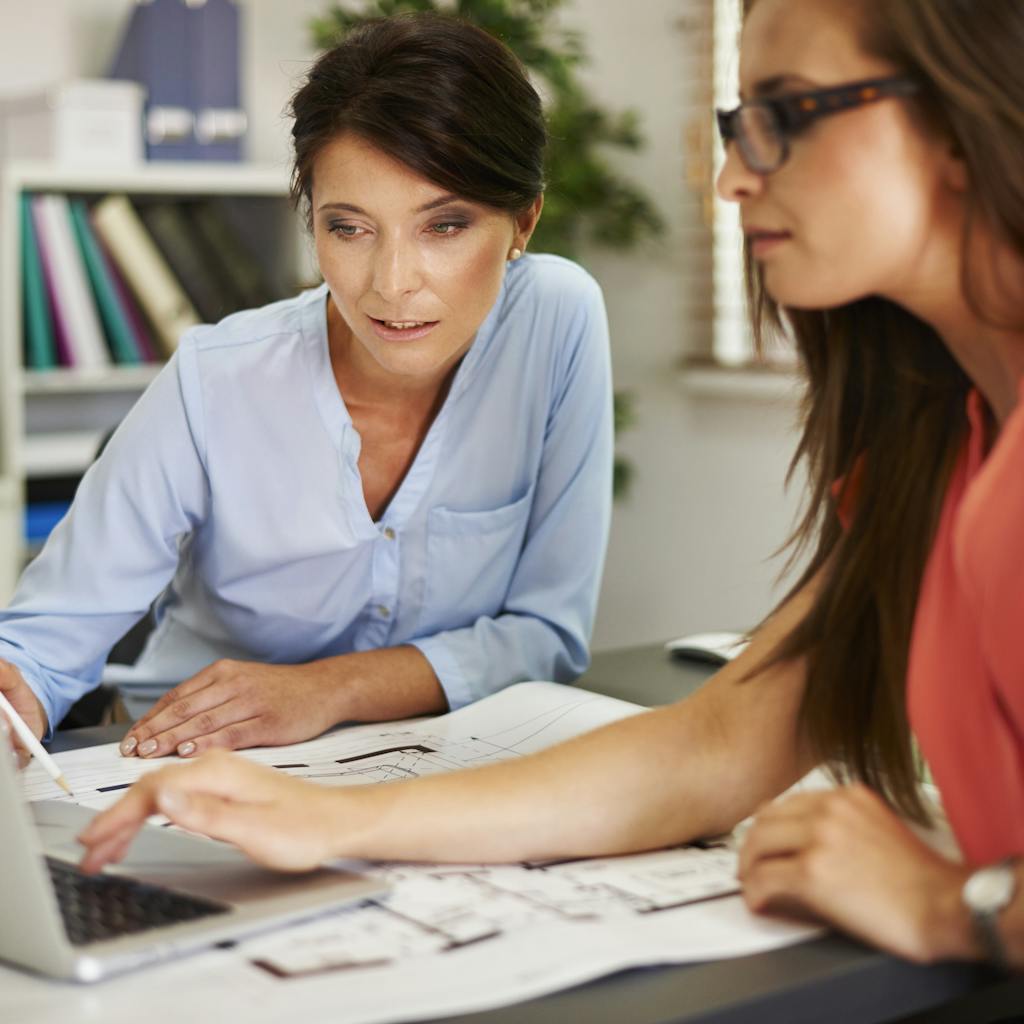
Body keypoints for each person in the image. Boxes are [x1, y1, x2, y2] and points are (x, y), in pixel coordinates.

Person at [79, 0, 1024, 972]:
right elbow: (707, 750)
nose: (736, 176)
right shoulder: (936, 441)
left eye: (785, 114)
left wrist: (963, 908)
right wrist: (324, 817)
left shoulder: (560, 322)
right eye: (738, 123)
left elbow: (561, 643)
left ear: (960, 116)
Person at [0, 15, 613, 762]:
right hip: (186, 763)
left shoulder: (557, 322)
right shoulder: (216, 377)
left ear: (523, 222)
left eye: (444, 226)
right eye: (349, 228)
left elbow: (546, 633)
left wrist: (329, 688)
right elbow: (42, 645)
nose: (391, 286)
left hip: (433, 766)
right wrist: (17, 692)